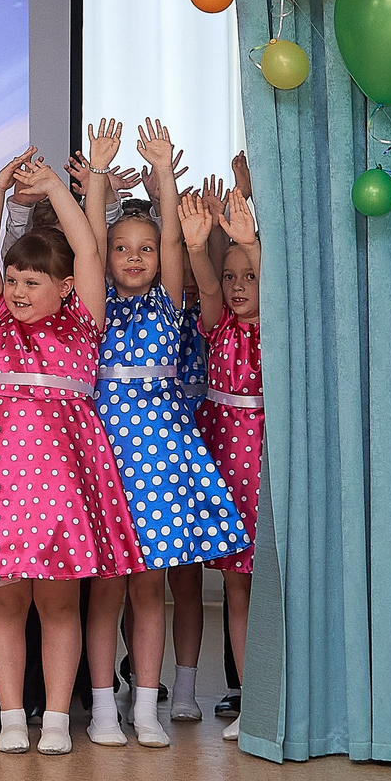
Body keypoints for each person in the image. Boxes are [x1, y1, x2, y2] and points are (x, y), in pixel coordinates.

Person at [0, 157, 141, 755]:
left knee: (60, 600)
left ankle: (55, 720)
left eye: (31, 282)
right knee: (5, 598)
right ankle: (14, 715)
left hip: (62, 483)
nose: (16, 291)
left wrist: (53, 191)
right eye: (13, 280)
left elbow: (90, 254)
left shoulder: (83, 322)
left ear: (64, 287)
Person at [84, 119, 249, 748]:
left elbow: (177, 246)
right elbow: (91, 245)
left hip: (161, 453)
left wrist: (163, 177)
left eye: (145, 248)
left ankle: (147, 707)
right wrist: (100, 173)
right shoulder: (94, 304)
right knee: (106, 588)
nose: (133, 257)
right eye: (123, 248)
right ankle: (104, 708)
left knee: (151, 585)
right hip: (103, 450)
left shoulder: (167, 300)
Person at [181, 186, 263, 743]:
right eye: (230, 276)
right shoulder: (218, 325)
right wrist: (198, 247)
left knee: (273, 582)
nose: (235, 286)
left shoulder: (277, 326)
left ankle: (285, 691)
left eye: (248, 276)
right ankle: (251, 700)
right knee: (236, 587)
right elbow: (206, 281)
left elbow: (267, 277)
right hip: (224, 465)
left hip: (267, 464)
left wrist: (248, 241)